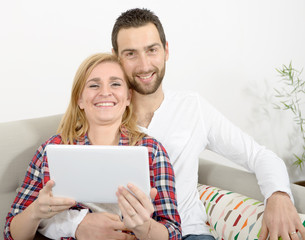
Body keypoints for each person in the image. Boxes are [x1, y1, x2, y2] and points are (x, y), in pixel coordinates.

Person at [27, 8, 305, 240]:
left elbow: (259, 155)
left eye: (152, 50)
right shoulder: (102, 111)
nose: (144, 64)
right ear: (116, 56)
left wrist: (279, 195)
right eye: (131, 53)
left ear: (166, 50)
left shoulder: (192, 108)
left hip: (188, 232)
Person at [4, 53, 181, 240]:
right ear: (80, 99)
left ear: (128, 97)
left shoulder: (152, 151)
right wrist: (36, 212)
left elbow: (173, 234)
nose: (105, 92)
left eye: (115, 84)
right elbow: (10, 233)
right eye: (94, 85)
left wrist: (144, 226)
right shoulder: (52, 149)